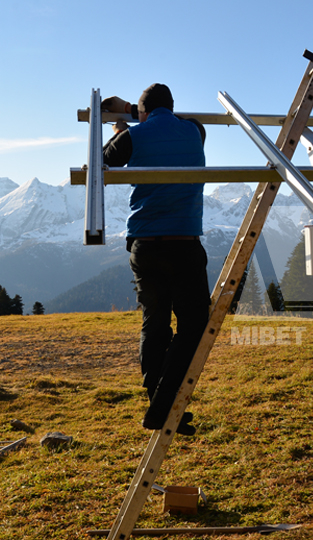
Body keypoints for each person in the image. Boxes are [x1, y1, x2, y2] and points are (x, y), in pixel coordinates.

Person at [102, 83, 209, 432]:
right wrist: (136, 112)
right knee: (193, 326)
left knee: (155, 323)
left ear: (142, 112)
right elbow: (168, 120)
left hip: (145, 246)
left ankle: (158, 406)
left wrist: (125, 126)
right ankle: (163, 408)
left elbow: (103, 160)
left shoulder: (135, 136)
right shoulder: (195, 130)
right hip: (185, 243)